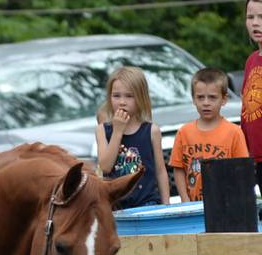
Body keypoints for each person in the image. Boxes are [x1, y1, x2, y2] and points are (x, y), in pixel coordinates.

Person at [95, 66, 170, 208]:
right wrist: (117, 131)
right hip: (116, 207)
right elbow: (105, 167)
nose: (122, 102)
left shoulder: (151, 131)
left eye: (129, 96)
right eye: (116, 96)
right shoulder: (102, 130)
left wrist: (166, 205)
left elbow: (160, 171)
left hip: (148, 204)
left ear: (141, 98)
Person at [170, 68, 249, 201]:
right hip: (193, 208)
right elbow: (178, 169)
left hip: (226, 206)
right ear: (194, 99)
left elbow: (242, 171)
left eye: (212, 97)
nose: (206, 103)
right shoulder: (184, 132)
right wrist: (185, 200)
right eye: (200, 97)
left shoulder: (234, 132)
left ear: (224, 99)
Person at [241, 0, 262, 193]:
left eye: (261, 16)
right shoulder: (251, 61)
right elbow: (247, 111)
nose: (255, 23)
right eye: (250, 17)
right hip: (256, 156)